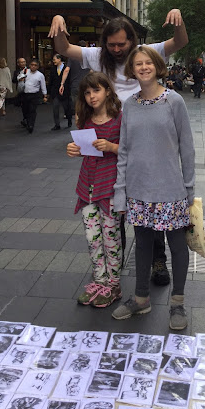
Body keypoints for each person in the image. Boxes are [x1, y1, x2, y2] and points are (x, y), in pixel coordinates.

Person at [49, 9, 188, 287]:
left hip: (142, 134)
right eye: (111, 44)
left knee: (149, 201)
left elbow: (180, 41)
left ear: (132, 41)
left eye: (121, 44)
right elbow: (63, 48)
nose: (116, 49)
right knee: (114, 204)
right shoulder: (97, 55)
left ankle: (158, 260)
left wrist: (179, 21)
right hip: (111, 135)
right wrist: (59, 24)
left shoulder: (144, 53)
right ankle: (116, 262)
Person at [111, 45, 195, 330]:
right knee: (143, 245)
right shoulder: (129, 105)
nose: (143, 67)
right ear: (132, 70)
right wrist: (120, 192)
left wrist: (189, 189)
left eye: (148, 62)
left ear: (157, 66)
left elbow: (187, 148)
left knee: (177, 246)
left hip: (170, 189)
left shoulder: (174, 101)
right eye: (138, 64)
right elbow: (124, 150)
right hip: (138, 189)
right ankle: (141, 298)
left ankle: (177, 302)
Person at [67, 72, 122, 308]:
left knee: (111, 238)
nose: (92, 96)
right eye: (87, 92)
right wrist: (73, 149)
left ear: (107, 91)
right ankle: (99, 281)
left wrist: (111, 146)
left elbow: (131, 149)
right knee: (92, 238)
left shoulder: (120, 119)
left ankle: (114, 285)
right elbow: (84, 150)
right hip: (87, 186)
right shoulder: (85, 119)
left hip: (110, 186)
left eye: (96, 90)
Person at [21, 59, 48, 133]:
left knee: (32, 110)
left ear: (38, 67)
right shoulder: (25, 71)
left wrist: (45, 95)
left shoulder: (40, 75)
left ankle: (31, 125)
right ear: (29, 65)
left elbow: (43, 85)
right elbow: (18, 78)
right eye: (32, 65)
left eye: (35, 65)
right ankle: (27, 121)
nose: (33, 66)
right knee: (25, 109)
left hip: (34, 94)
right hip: (25, 94)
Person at [48, 53, 70, 130]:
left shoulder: (67, 68)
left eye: (54, 59)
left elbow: (69, 79)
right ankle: (57, 124)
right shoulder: (53, 69)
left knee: (66, 108)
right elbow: (50, 81)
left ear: (59, 59)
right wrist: (49, 92)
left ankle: (69, 120)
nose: (53, 61)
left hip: (65, 91)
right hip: (55, 92)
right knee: (55, 108)